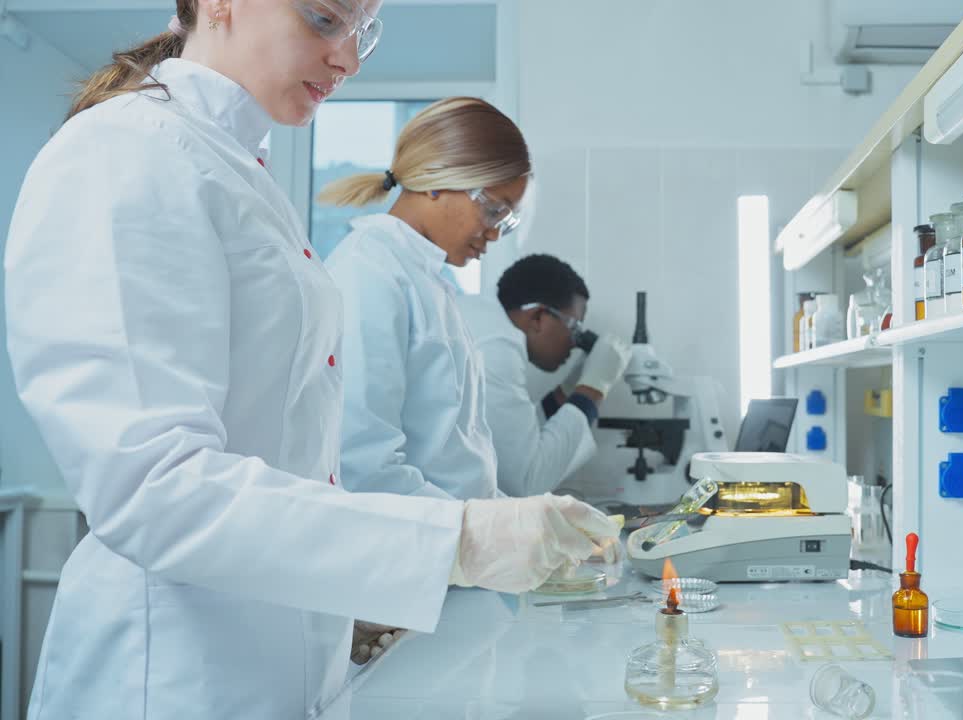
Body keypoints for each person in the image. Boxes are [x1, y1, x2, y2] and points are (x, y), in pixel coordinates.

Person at [4, 3, 617, 718]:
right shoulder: (126, 152)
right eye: (326, 19)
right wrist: (455, 539)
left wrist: (366, 589)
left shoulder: (237, 170)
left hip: (283, 655)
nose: (350, 60)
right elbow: (153, 487)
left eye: (363, 31)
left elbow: (297, 460)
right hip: (173, 676)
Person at [319, 97, 527, 501]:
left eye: (506, 219)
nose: (496, 233)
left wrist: (518, 519)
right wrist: (481, 532)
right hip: (411, 548)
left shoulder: (427, 279)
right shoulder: (369, 272)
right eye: (493, 210)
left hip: (451, 542)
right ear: (436, 180)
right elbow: (364, 468)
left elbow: (456, 461)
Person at [456, 254, 632, 496]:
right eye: (573, 328)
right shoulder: (497, 348)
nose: (573, 343)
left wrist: (571, 387)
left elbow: (514, 437)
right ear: (538, 317)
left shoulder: (483, 322)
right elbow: (527, 482)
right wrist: (594, 388)